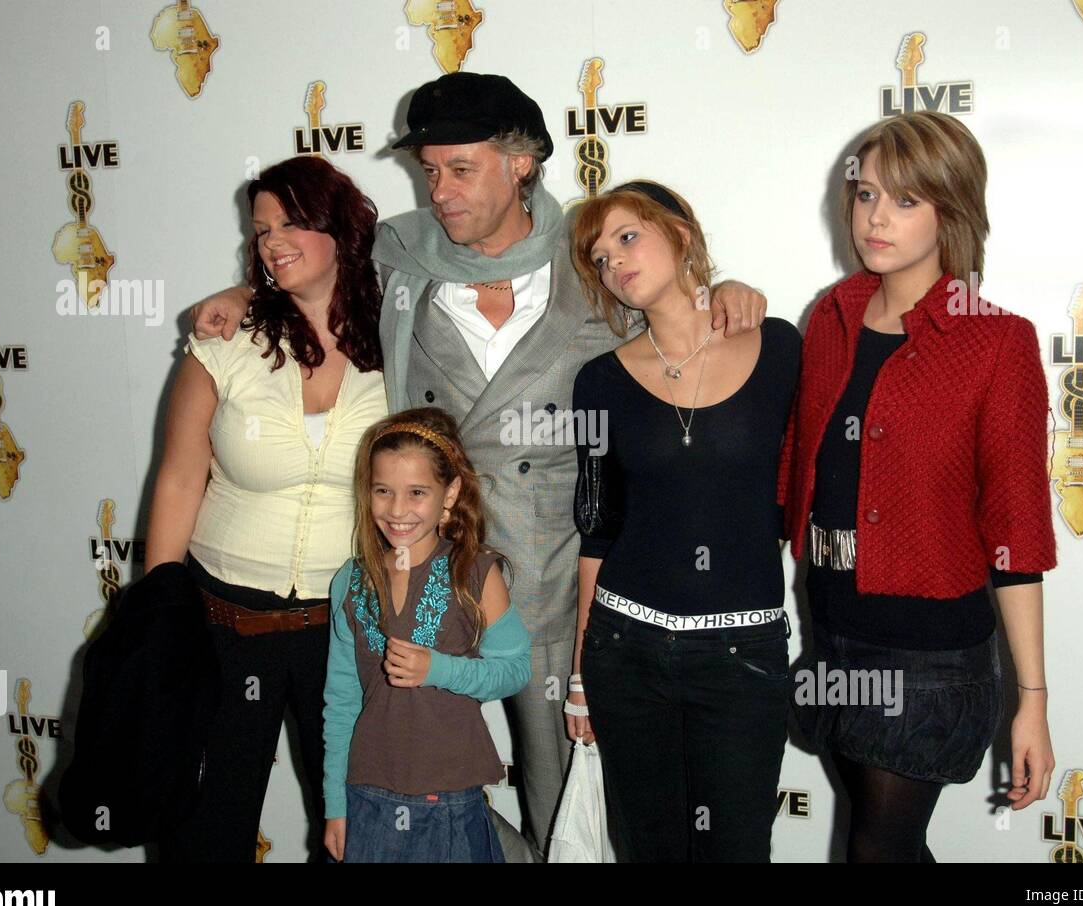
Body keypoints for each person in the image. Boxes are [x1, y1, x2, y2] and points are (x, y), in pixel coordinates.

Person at [187, 72, 769, 858]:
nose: (440, 192)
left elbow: (675, 312)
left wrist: (730, 290)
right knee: (397, 780)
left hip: (555, 583)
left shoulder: (596, 265)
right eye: (429, 171)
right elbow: (311, 271)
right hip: (423, 576)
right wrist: (238, 292)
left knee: (565, 799)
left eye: (461, 169)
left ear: (522, 163)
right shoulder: (401, 260)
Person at [779, 111, 1057, 862]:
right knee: (886, 845)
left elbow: (1017, 527)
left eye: (906, 200)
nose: (876, 217)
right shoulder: (829, 318)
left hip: (927, 652)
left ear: (952, 208)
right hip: (830, 630)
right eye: (867, 194)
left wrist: (1030, 697)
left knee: (879, 846)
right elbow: (794, 466)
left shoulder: (996, 341)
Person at [144, 156, 388, 861]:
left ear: (339, 229)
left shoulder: (400, 336)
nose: (272, 240)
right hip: (225, 623)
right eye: (260, 229)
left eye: (291, 222)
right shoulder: (224, 342)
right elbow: (178, 480)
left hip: (347, 629)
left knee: (356, 831)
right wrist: (161, 616)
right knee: (207, 830)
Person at [566, 181, 801, 862]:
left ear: (682, 235)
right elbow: (597, 528)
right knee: (648, 849)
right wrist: (581, 671)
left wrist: (737, 290)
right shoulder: (599, 381)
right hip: (626, 650)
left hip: (742, 655)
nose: (615, 263)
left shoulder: (780, 348)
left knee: (737, 848)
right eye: (601, 256)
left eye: (628, 237)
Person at [322, 408, 532, 862]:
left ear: (450, 492)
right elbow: (341, 702)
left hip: (450, 803)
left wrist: (440, 669)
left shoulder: (474, 573)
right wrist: (335, 806)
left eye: (417, 492)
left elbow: (515, 670)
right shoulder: (350, 582)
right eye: (383, 491)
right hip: (368, 799)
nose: (398, 510)